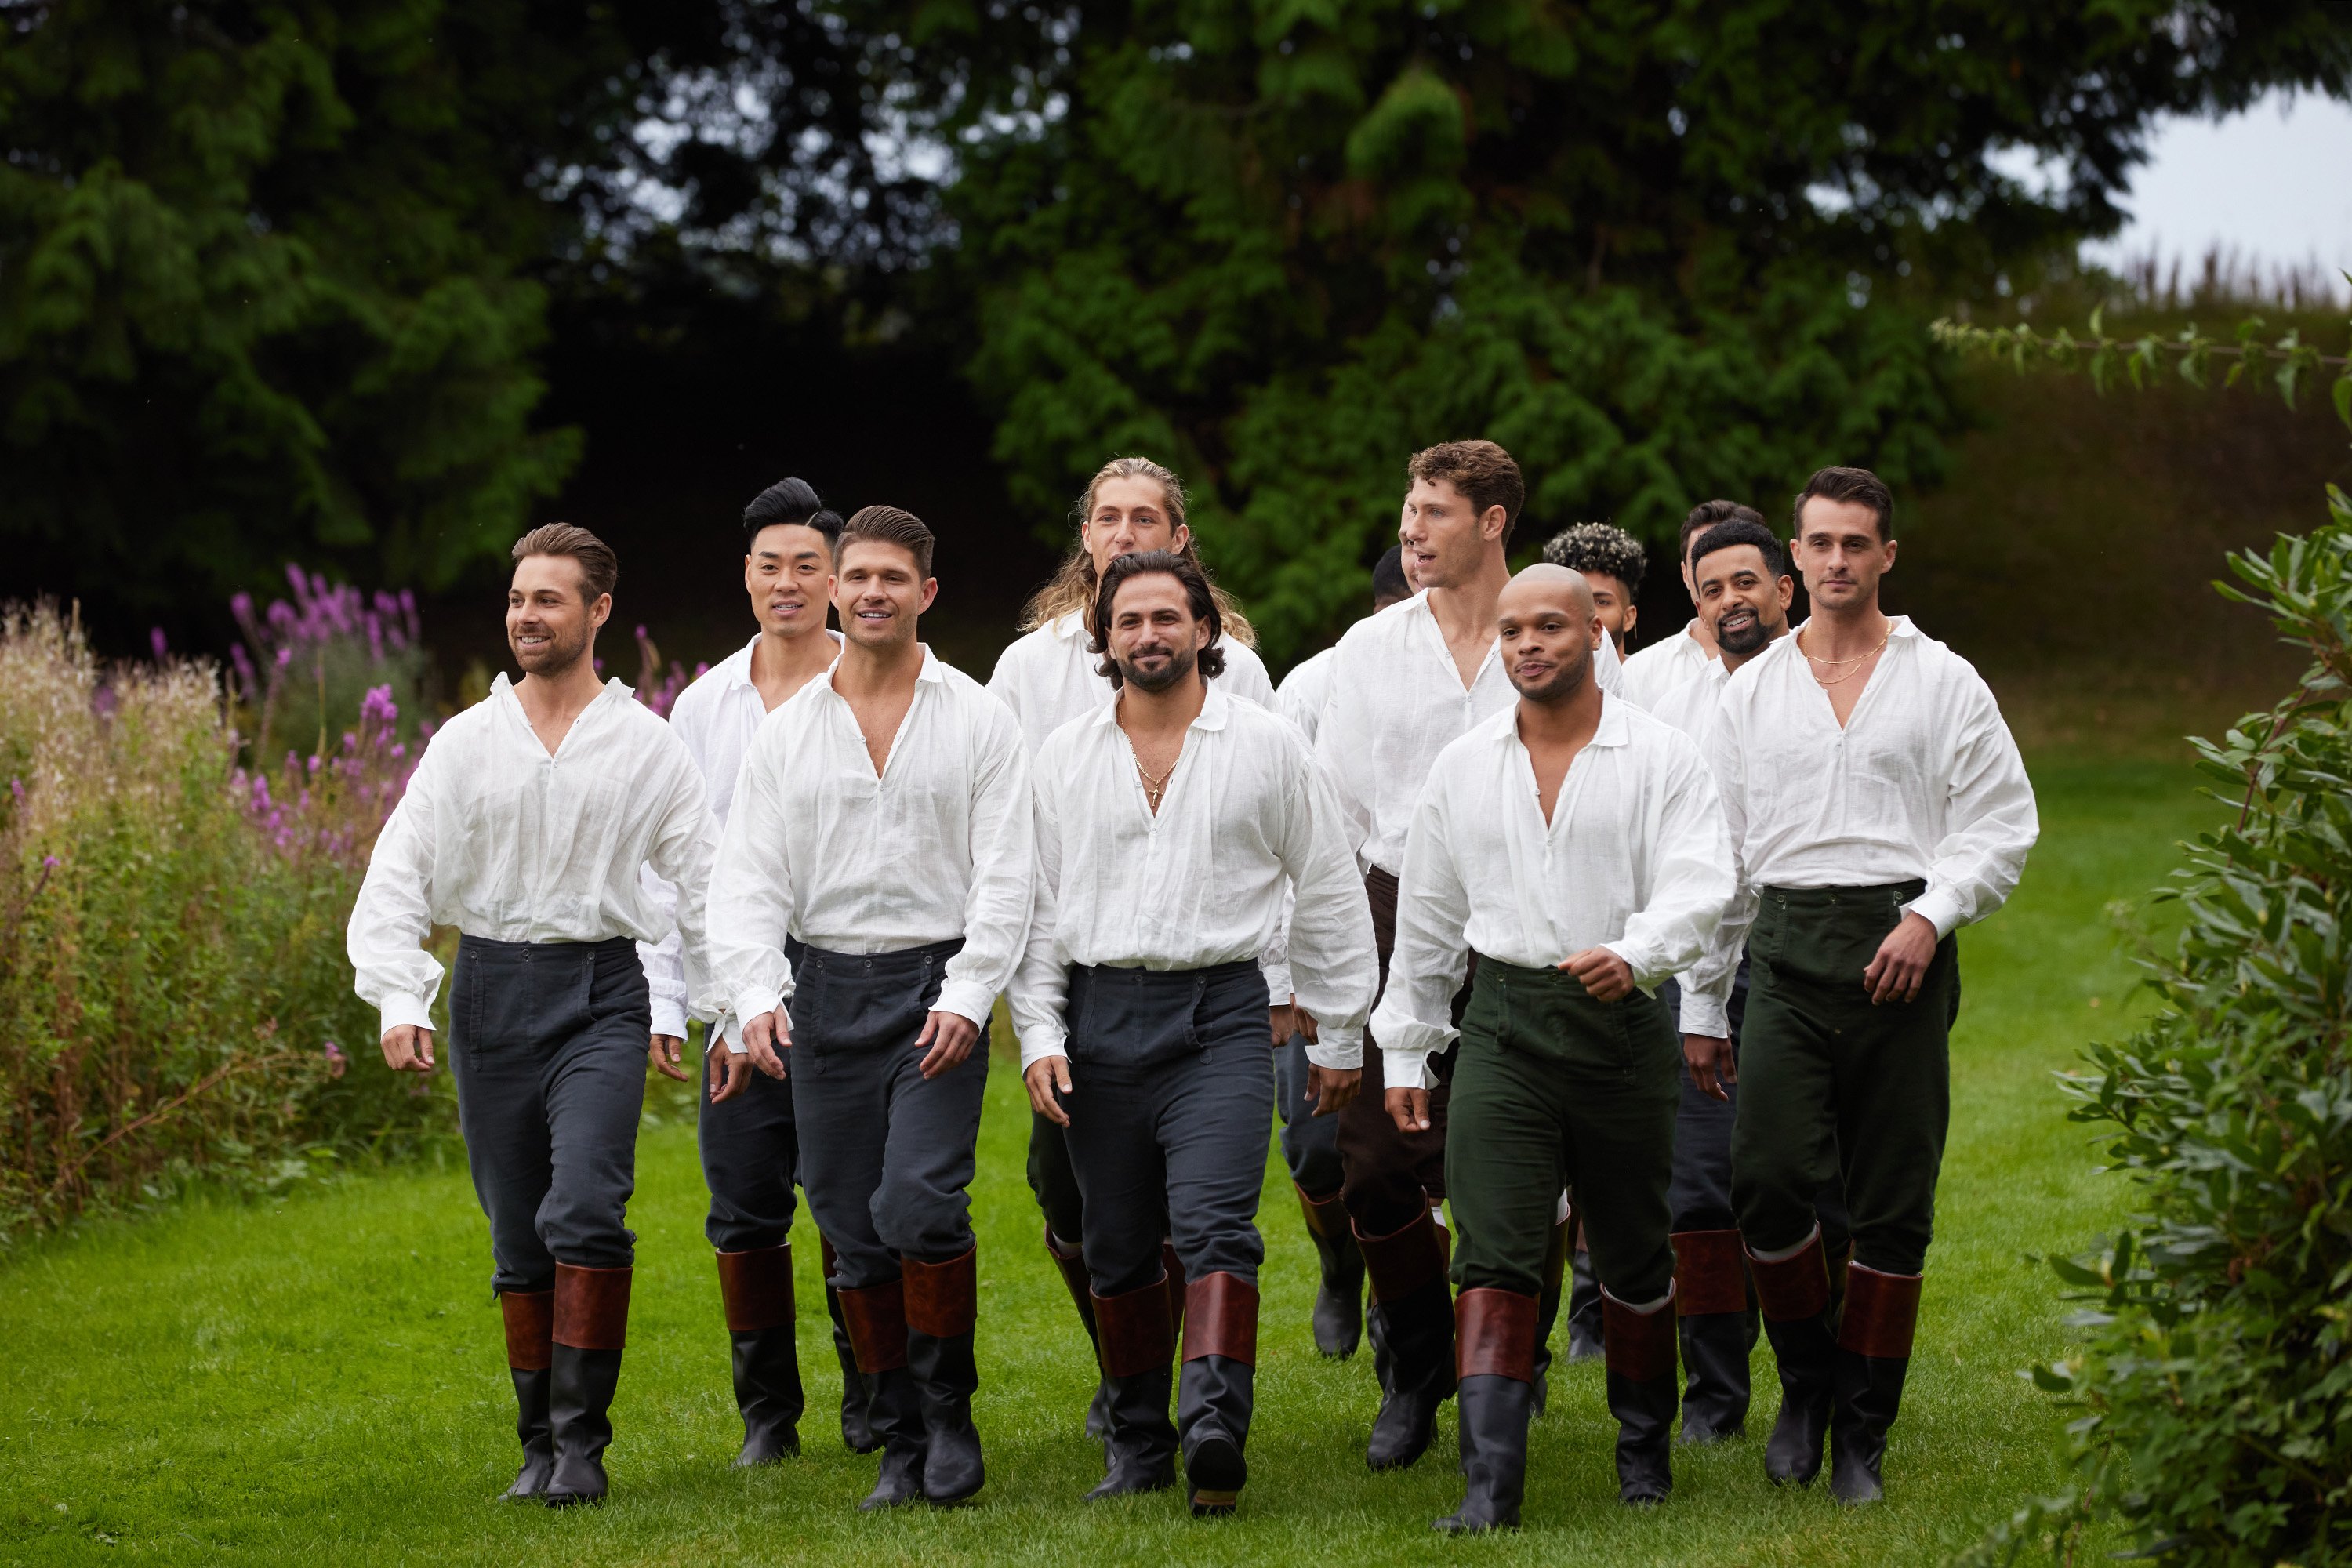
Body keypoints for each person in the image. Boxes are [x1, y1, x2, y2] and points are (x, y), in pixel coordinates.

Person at [348, 524, 719, 1508]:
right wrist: (399, 991)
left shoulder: (649, 744)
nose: (526, 616)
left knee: (586, 1208)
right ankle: (536, 1442)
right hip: (487, 995)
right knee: (518, 1234)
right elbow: (399, 872)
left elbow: (710, 883)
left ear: (598, 612)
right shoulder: (466, 742)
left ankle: (583, 1445)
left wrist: (734, 1003)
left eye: (549, 599)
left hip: (601, 992)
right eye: (518, 599)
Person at [1697, 466, 2038, 1504]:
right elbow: (1720, 853)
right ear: (1795, 558)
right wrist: (1706, 1003)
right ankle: (1805, 1386)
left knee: (1893, 1204)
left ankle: (1862, 1435)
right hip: (1786, 953)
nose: (1838, 560)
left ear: (1887, 554)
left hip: (1902, 956)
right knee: (1762, 1180)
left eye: (1857, 543)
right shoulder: (1751, 691)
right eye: (1821, 544)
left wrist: (1931, 915)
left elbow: (2001, 824)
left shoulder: (1943, 681)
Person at [1013, 550, 1377, 1515]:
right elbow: (1035, 909)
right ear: (1103, 637)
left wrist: (1340, 1031)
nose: (1147, 635)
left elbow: (1331, 888)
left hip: (1221, 1013)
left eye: (1166, 617)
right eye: (1127, 621)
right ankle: (1138, 1444)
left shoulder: (1266, 745)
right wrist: (1041, 1029)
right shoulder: (1060, 758)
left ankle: (1214, 1425)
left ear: (1205, 630)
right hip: (1097, 1018)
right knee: (1119, 1239)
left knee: (1218, 1226)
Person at [1376, 564, 1733, 1527]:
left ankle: (1643, 1444)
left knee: (1630, 1252)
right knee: (1491, 1249)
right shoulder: (1465, 764)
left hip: (1620, 1029)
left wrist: (1638, 950)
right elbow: (1429, 917)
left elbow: (1705, 883)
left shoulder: (1661, 755)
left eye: (1550, 627)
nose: (1528, 644)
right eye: (1512, 631)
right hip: (1501, 1028)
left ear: (1596, 638)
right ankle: (1490, 1485)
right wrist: (1407, 1048)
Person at [707, 506, 1034, 1512]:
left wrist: (973, 993)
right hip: (825, 994)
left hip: (937, 991)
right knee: (849, 1225)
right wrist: (755, 994)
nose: (874, 592)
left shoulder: (979, 717)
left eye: (895, 577)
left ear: (926, 592)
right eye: (860, 577)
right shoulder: (787, 732)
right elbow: (746, 882)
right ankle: (899, 1435)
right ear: (839, 591)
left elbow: (1008, 875)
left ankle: (949, 1415)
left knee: (922, 1203)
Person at [1314, 440, 1623, 1472]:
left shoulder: (1570, 637)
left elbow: (1614, 785)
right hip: (1390, 912)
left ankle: (1514, 1354)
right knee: (1368, 1166)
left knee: (1519, 1169)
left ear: (1493, 523)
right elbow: (1334, 811)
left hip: (1525, 920)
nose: (1412, 529)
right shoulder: (1368, 653)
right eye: (1409, 511)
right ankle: (1412, 1369)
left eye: (1435, 512)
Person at [986, 456, 1276, 1439]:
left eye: (1144, 516)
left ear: (1179, 537)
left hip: (1209, 972)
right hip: (1081, 969)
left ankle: (1199, 1407)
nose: (1123, 532)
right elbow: (1012, 834)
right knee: (1074, 1196)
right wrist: (1033, 1010)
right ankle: (1128, 1378)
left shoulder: (1232, 654)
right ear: (1086, 535)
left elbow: (1277, 825)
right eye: (1106, 517)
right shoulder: (1030, 667)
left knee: (1203, 1207)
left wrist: (1278, 981)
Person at [637, 478, 869, 1465]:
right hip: (736, 983)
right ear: (746, 576)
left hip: (849, 970)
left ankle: (873, 1390)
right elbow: (666, 862)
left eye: (807, 566)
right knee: (742, 1203)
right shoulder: (702, 704)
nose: (788, 583)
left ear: (836, 578)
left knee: (855, 1200)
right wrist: (682, 999)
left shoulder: (871, 683)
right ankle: (768, 1415)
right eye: (769, 566)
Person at [1645, 517, 1798, 1444]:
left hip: (1799, 963)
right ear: (1694, 597)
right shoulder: (1653, 682)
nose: (1733, 599)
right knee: (1696, 1190)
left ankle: (1811, 1374)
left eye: (1750, 581)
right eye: (1714, 587)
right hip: (1689, 962)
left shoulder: (1823, 682)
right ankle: (1714, 1392)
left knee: (1803, 1187)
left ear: (1784, 587)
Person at [1269, 542, 1410, 1359]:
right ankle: (1337, 1261)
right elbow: (1289, 842)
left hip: (1433, 936)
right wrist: (1286, 979)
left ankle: (1413, 1316)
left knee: (1421, 1143)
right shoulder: (1318, 685)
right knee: (1316, 1144)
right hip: (1328, 940)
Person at [1617, 499, 1767, 710]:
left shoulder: (1806, 661)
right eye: (1701, 558)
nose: (1716, 569)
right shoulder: (1640, 672)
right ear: (1685, 573)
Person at [1540, 522, 1644, 655]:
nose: (1588, 613)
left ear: (1629, 618)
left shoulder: (1651, 675)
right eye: (1573, 601)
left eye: (1602, 602)